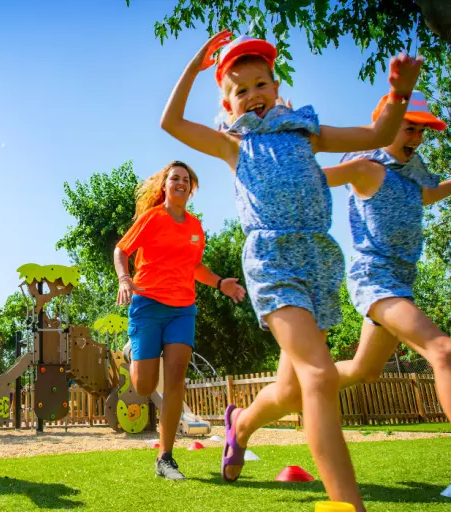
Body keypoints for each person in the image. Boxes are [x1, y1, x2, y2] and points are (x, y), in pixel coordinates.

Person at [159, 30, 421, 510]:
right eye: (240, 90)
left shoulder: (307, 134)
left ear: (277, 89)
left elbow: (378, 137)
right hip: (272, 259)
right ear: (228, 104)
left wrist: (399, 93)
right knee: (319, 376)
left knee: (291, 388)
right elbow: (170, 121)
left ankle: (240, 425)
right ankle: (346, 504)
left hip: (317, 260)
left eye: (261, 84)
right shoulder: (234, 146)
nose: (253, 95)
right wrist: (195, 67)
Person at [235, 91, 451, 440]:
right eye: (409, 128)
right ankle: (307, 384)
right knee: (443, 350)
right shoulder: (366, 169)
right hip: (376, 280)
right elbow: (310, 175)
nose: (417, 137)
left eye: (422, 131)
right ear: (388, 127)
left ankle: (248, 418)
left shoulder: (411, 181)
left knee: (364, 371)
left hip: (401, 282)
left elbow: (429, 195)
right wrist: (289, 136)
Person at [114, 161, 246, 480]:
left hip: (182, 309)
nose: (181, 182)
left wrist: (220, 283)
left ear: (191, 188)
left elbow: (195, 267)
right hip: (148, 306)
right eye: (175, 178)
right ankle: (134, 350)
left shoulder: (195, 228)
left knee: (176, 381)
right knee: (144, 386)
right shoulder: (151, 218)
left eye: (186, 179)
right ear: (164, 185)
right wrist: (124, 279)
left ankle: (166, 458)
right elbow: (121, 250)